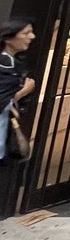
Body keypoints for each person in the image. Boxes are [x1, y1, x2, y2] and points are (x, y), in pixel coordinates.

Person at [0, 18, 36, 164]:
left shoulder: (12, 62)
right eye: (25, 33)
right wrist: (24, 91)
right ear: (9, 38)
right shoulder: (5, 64)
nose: (32, 36)